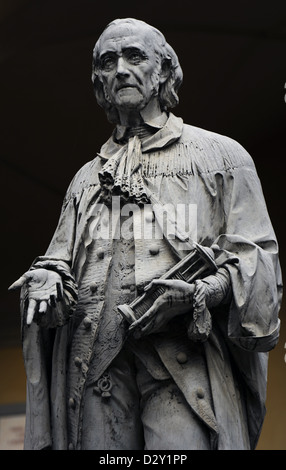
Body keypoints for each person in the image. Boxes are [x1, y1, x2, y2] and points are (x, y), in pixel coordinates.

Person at [9, 18, 282, 450]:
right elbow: (59, 261)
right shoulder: (85, 180)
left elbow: (260, 262)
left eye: (135, 56)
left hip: (182, 362)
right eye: (107, 61)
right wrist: (49, 281)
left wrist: (201, 293)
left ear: (164, 70)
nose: (120, 69)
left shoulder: (223, 157)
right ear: (98, 81)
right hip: (95, 369)